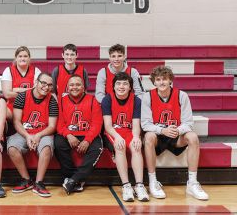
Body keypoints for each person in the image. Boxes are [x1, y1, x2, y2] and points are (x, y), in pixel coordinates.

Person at [142, 66, 209, 200]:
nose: (161, 82)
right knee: (148, 136)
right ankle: (153, 181)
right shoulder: (147, 96)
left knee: (193, 137)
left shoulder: (181, 95)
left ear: (170, 80)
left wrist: (178, 130)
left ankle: (192, 183)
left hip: (175, 135)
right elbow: (145, 124)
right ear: (154, 82)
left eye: (165, 79)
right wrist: (162, 130)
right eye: (158, 79)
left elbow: (188, 123)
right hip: (158, 136)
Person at [7, 73, 58, 197]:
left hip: (43, 132)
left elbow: (52, 126)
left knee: (46, 147)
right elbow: (16, 122)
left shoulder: (52, 100)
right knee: (12, 147)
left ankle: (39, 183)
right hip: (24, 132)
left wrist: (38, 135)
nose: (46, 87)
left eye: (50, 85)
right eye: (43, 83)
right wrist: (28, 136)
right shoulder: (22, 96)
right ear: (36, 82)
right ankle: (26, 180)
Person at [102, 72, 149, 202]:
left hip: (129, 131)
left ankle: (139, 185)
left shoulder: (136, 100)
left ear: (130, 87)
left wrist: (136, 137)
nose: (121, 86)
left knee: (136, 147)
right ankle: (126, 185)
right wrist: (117, 137)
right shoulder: (108, 99)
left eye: (125, 83)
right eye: (118, 83)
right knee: (120, 146)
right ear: (113, 86)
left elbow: (135, 125)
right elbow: (107, 126)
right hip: (113, 132)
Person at [55, 75, 103, 195]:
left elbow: (97, 123)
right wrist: (68, 135)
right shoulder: (61, 101)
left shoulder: (93, 100)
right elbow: (59, 123)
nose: (74, 87)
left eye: (78, 85)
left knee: (97, 148)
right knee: (58, 143)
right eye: (71, 85)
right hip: (69, 134)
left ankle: (73, 180)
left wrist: (87, 140)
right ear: (67, 87)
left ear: (83, 87)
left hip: (87, 134)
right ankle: (73, 177)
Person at [1, 46, 41, 119]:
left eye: (25, 56)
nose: (23, 58)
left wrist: (16, 89)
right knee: (1, 111)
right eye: (20, 56)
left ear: (29, 58)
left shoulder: (36, 71)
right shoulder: (8, 70)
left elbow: (37, 92)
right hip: (12, 106)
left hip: (31, 105)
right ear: (16, 58)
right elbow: (7, 94)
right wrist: (30, 91)